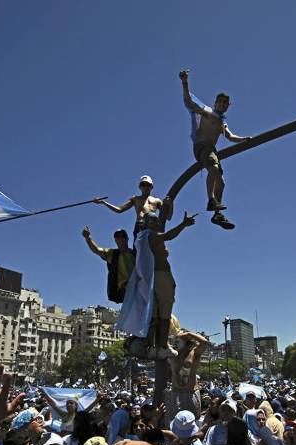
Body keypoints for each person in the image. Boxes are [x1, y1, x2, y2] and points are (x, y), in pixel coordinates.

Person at [179, 69, 251, 230]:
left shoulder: (221, 122)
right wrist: (185, 83)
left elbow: (231, 137)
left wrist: (244, 140)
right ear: (215, 102)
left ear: (228, 106)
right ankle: (211, 200)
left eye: (225, 103)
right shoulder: (208, 113)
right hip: (202, 146)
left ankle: (217, 214)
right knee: (214, 169)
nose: (222, 104)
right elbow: (190, 103)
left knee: (222, 182)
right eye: (220, 101)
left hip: (211, 149)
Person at [146, 210, 197, 358]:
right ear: (146, 224)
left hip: (152, 277)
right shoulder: (151, 235)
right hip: (161, 275)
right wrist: (183, 224)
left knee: (155, 316)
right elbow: (168, 236)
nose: (156, 223)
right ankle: (162, 346)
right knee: (165, 314)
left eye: (156, 220)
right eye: (153, 220)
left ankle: (153, 347)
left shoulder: (143, 238)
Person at [93, 175, 171, 238]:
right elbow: (119, 210)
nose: (145, 187)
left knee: (154, 251)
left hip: (152, 227)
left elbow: (168, 217)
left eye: (148, 185)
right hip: (139, 227)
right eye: (143, 185)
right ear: (140, 187)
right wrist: (104, 202)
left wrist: (170, 204)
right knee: (138, 253)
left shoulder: (157, 200)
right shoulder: (135, 199)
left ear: (151, 186)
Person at [82, 226, 136, 303]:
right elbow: (96, 250)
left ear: (127, 239)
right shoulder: (112, 254)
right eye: (117, 237)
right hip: (123, 289)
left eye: (122, 236)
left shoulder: (134, 253)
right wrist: (88, 238)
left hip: (137, 286)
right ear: (115, 241)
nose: (120, 239)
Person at [168, 329, 209, 421]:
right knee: (175, 421)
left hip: (190, 393)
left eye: (181, 338)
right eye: (177, 338)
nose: (178, 340)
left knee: (192, 420)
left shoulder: (194, 352)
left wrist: (189, 333)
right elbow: (163, 344)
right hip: (175, 392)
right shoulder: (173, 353)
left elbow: (204, 342)